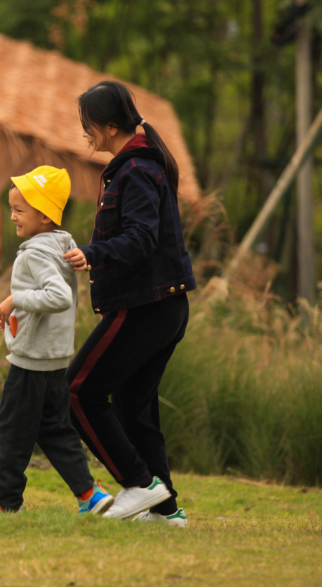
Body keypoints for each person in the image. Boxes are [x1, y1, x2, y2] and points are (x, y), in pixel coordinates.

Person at [63, 81, 194, 526]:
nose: (86, 133)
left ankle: (140, 484)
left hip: (147, 307)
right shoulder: (135, 165)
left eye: (89, 125)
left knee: (79, 389)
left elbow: (141, 238)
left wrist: (92, 253)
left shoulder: (135, 169)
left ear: (111, 125)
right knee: (134, 409)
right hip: (163, 306)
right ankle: (166, 511)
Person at [0, 165, 114, 516]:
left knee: (9, 436)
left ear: (44, 215)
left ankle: (7, 507)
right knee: (56, 429)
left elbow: (58, 296)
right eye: (11, 208)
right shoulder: (61, 242)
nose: (12, 216)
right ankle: (90, 494)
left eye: (19, 210)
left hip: (32, 362)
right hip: (55, 360)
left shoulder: (36, 252)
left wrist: (17, 299)